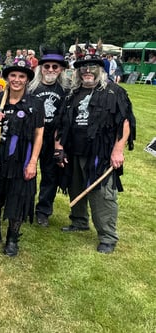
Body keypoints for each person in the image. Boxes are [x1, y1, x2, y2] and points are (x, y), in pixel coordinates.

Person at [55, 54, 135, 254]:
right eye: (83, 67)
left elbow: (124, 123)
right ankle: (79, 221)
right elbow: (63, 123)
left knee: (102, 195)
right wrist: (60, 147)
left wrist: (118, 150)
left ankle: (107, 236)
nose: (87, 71)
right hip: (75, 150)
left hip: (101, 153)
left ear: (101, 69)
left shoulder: (114, 92)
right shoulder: (73, 94)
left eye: (92, 67)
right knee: (76, 188)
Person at [0, 59, 44, 257]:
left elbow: (39, 134)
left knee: (18, 199)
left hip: (21, 159)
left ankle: (12, 238)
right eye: (13, 75)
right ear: (7, 78)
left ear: (27, 79)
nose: (17, 80)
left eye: (21, 76)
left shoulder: (35, 104)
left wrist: (33, 162)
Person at [28, 48, 69, 227]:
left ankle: (43, 210)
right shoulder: (31, 87)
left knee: (50, 175)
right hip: (31, 137)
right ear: (41, 67)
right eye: (47, 66)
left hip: (53, 139)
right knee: (26, 173)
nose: (51, 70)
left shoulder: (66, 90)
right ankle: (24, 206)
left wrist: (60, 145)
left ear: (60, 69)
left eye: (55, 66)